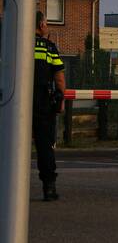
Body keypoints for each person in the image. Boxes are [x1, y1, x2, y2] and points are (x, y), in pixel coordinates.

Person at [33, 11, 65, 201]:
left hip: (15, 100)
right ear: (41, 24)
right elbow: (59, 78)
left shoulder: (14, 43)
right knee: (44, 146)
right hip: (42, 101)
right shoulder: (49, 48)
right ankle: (49, 186)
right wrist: (60, 100)